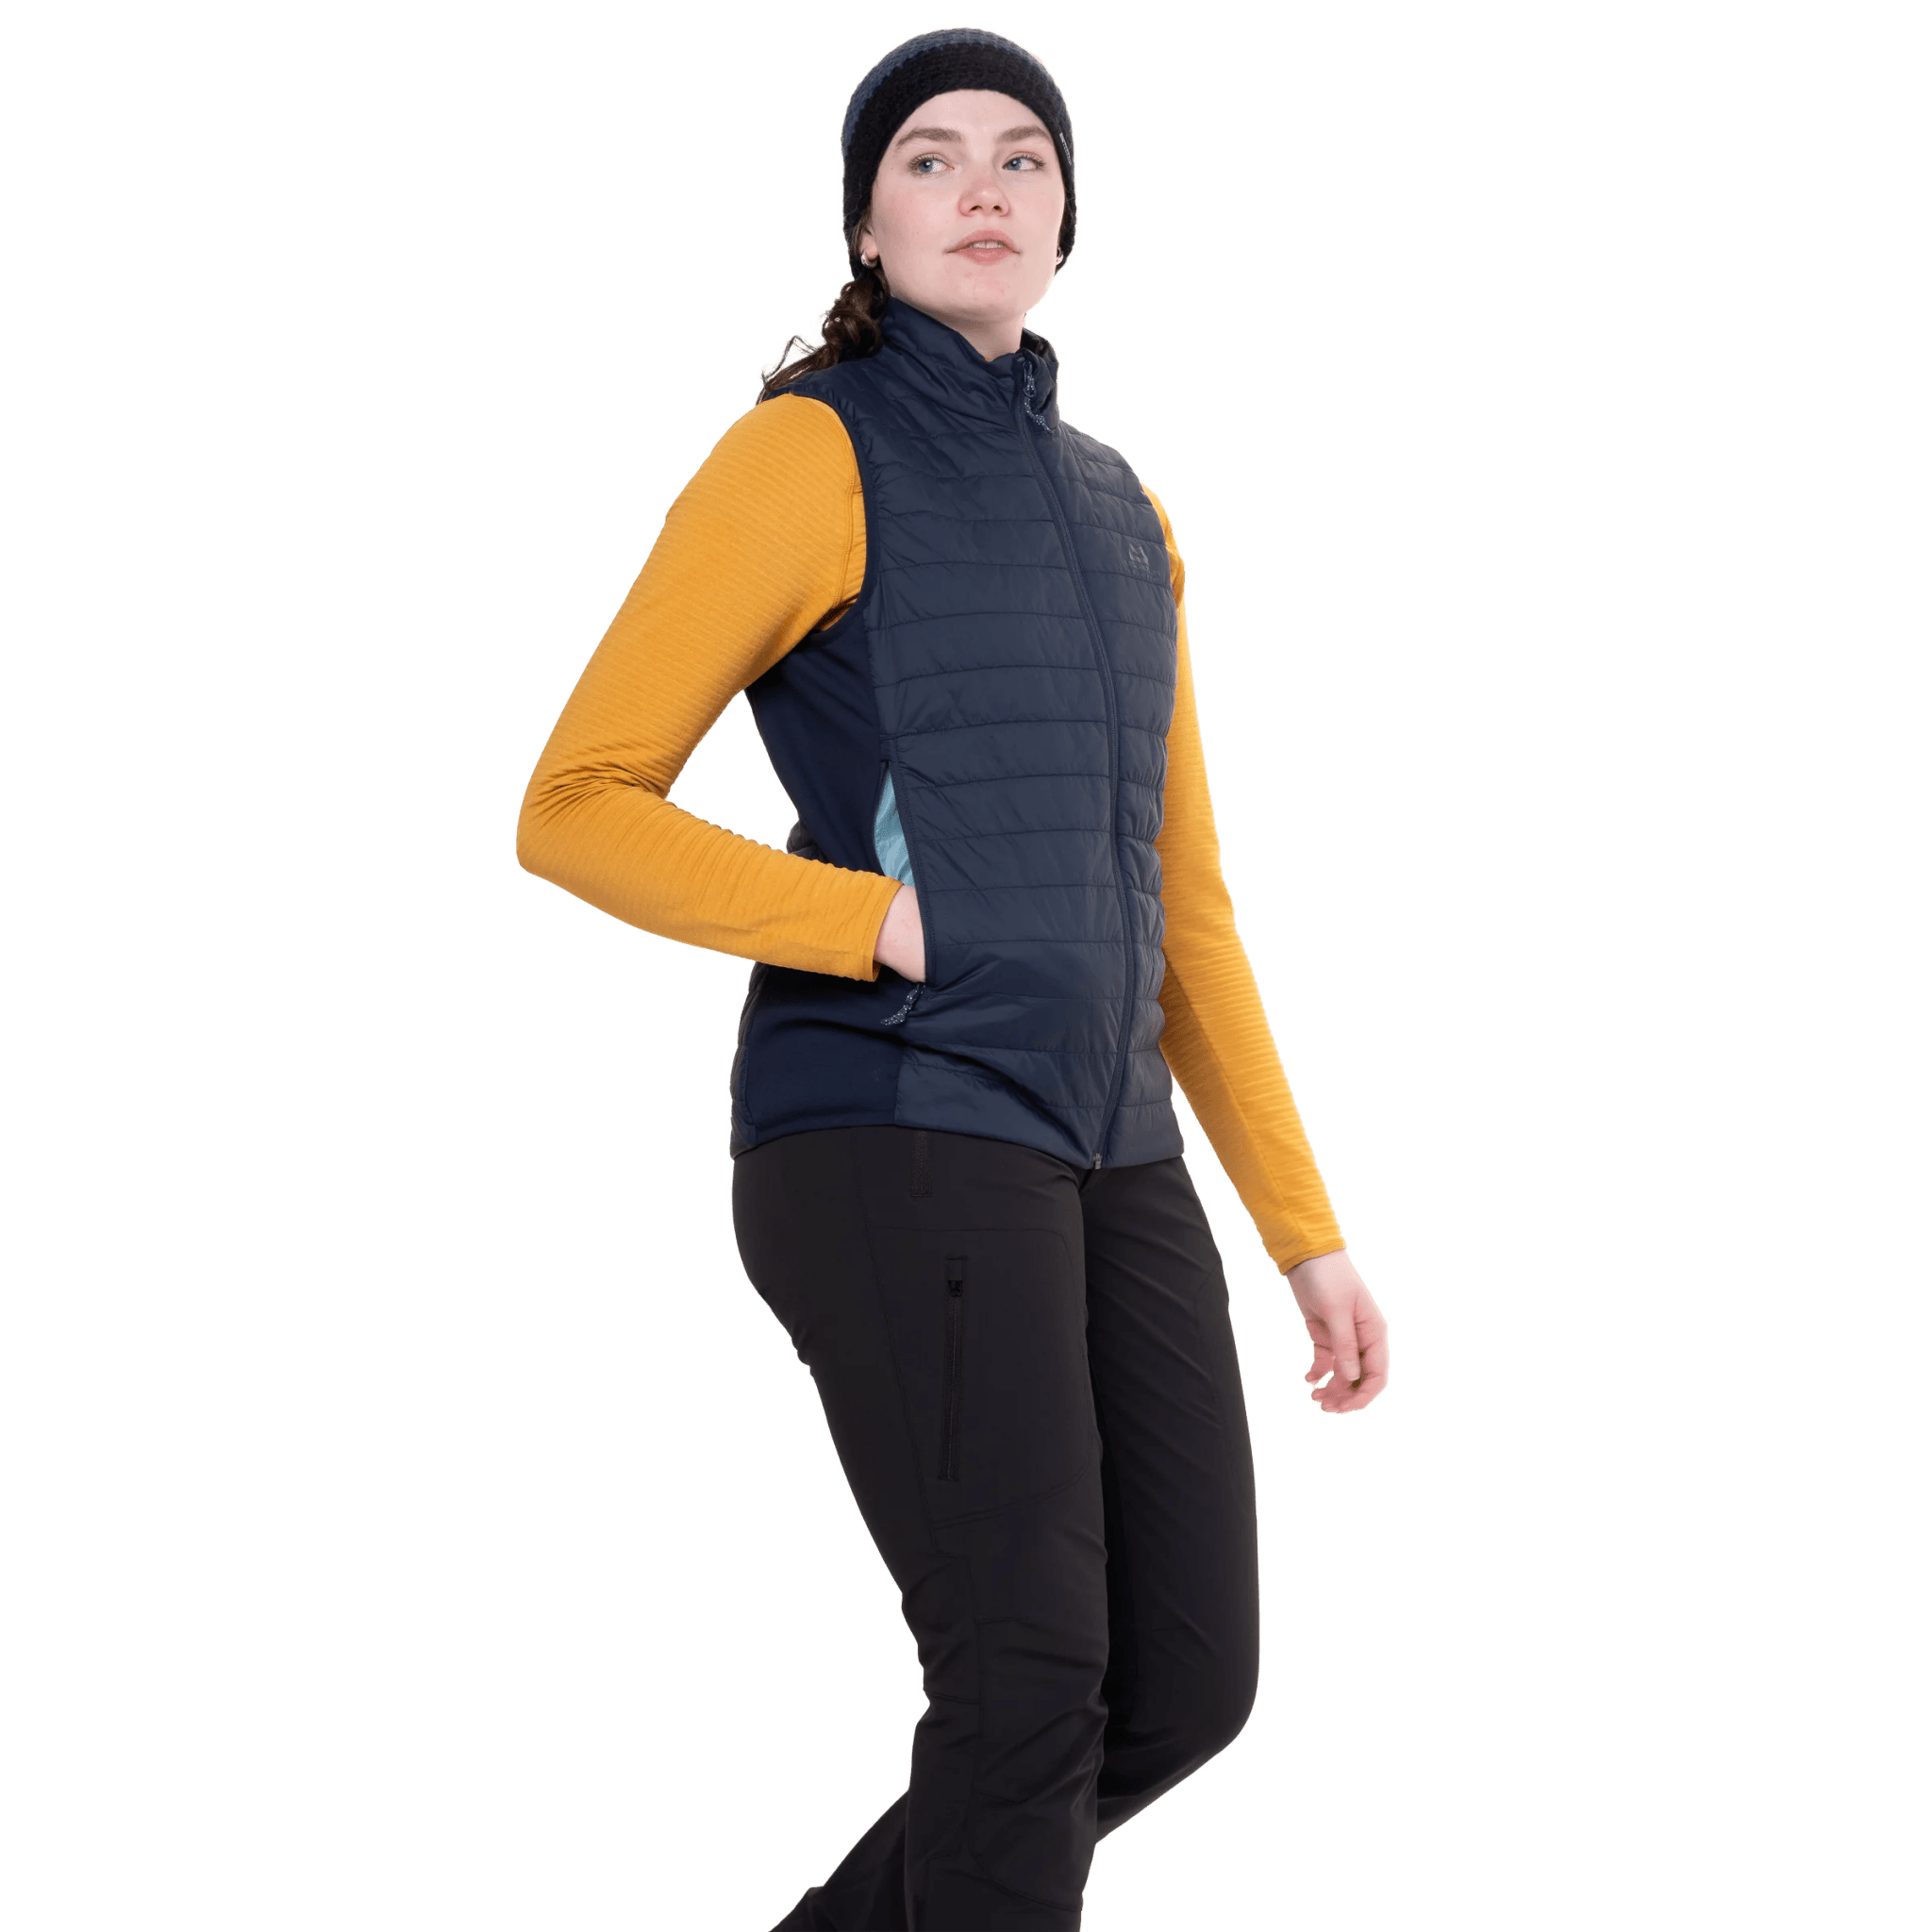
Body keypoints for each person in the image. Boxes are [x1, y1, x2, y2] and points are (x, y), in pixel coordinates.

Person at [515, 24, 1391, 1929]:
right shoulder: (803, 455)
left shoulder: (1127, 513)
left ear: (1067, 224)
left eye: (1021, 158)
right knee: (1025, 1677)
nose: (980, 185)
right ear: (865, 224)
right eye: (928, 157)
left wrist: (1306, 1235)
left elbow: (1188, 909)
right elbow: (574, 805)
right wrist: (877, 921)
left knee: (1181, 1682)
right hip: (891, 1124)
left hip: (1106, 1141)